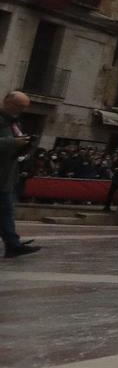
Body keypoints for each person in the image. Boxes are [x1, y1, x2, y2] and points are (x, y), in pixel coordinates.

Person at [1, 92, 38, 257]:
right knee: (6, 211)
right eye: (19, 106)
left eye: (24, 107)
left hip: (7, 175)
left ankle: (13, 244)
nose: (21, 110)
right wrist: (13, 142)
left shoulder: (13, 123)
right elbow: (10, 143)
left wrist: (26, 145)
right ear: (7, 101)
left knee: (6, 211)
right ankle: (13, 244)